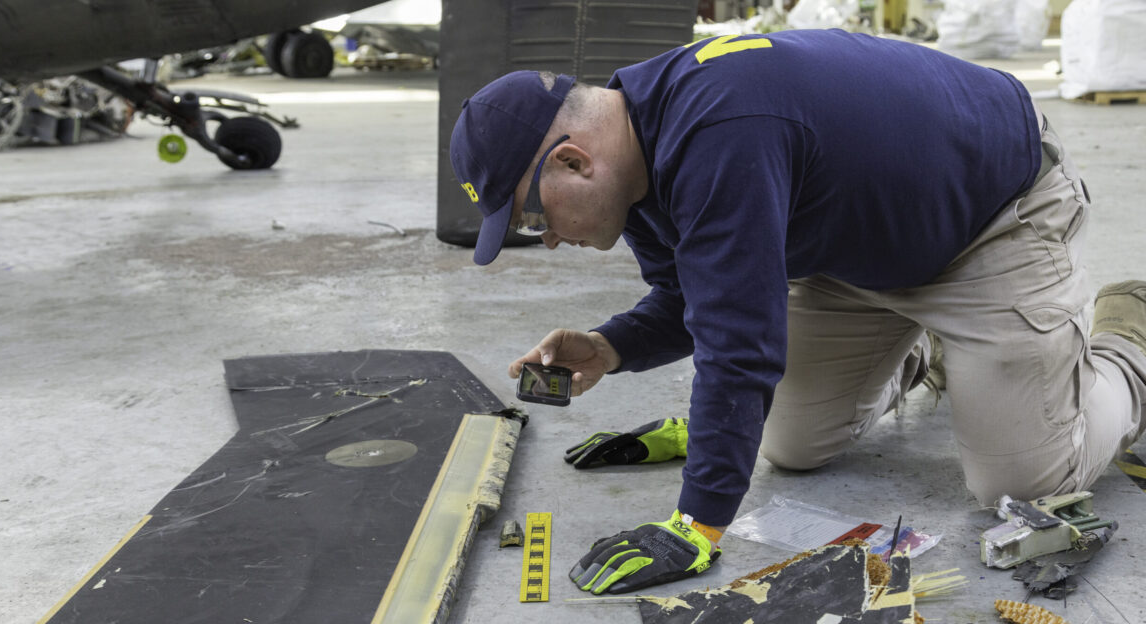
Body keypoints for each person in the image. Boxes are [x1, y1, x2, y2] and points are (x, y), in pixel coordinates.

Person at [449, 29, 1146, 596]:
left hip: (989, 222)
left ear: (573, 162)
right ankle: (919, 360)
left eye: (533, 215)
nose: (546, 237)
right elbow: (691, 299)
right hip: (856, 251)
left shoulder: (719, 132)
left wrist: (697, 524)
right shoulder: (632, 160)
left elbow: (739, 346)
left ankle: (1129, 338)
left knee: (1021, 481)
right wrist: (609, 347)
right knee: (792, 447)